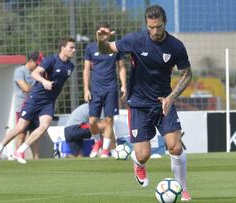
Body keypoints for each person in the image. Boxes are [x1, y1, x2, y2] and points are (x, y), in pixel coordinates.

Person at [96, 5, 192, 201]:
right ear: (146, 25)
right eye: (151, 27)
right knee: (143, 154)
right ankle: (138, 164)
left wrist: (171, 98)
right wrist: (101, 40)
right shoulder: (136, 40)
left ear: (165, 23)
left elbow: (187, 74)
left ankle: (182, 189)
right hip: (139, 104)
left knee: (175, 146)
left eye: (158, 27)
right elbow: (106, 49)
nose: (155, 31)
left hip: (164, 102)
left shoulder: (176, 46)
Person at [0, 37, 76, 165]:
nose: (74, 50)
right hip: (36, 97)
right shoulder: (51, 60)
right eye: (71, 47)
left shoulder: (70, 66)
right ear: (63, 48)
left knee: (44, 126)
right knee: (20, 128)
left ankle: (20, 151)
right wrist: (44, 81)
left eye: (74, 47)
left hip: (49, 101)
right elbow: (34, 74)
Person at [83, 22, 127, 158]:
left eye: (107, 33)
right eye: (102, 32)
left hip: (111, 89)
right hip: (95, 90)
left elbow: (121, 68)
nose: (105, 35)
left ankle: (105, 150)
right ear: (97, 33)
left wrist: (124, 84)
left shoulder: (114, 48)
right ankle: (97, 142)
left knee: (109, 120)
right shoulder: (90, 48)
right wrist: (86, 89)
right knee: (92, 121)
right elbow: (86, 70)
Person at [13, 51, 43, 160]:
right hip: (22, 107)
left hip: (35, 107)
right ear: (30, 61)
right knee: (21, 134)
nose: (39, 66)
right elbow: (25, 88)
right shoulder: (19, 71)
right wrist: (36, 89)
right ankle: (19, 157)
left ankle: (36, 159)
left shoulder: (38, 73)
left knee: (34, 135)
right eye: (37, 63)